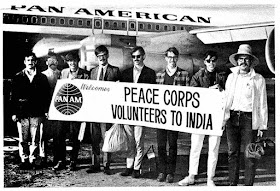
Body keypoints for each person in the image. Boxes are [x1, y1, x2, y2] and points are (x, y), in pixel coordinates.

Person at [178, 50, 227, 186]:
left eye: (214, 60)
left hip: (216, 117)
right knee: (195, 147)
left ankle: (210, 178)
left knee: (213, 149)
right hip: (200, 118)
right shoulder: (197, 76)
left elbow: (228, 95)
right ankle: (191, 175)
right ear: (204, 62)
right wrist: (209, 91)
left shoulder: (223, 76)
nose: (211, 63)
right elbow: (193, 95)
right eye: (208, 61)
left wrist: (222, 91)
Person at [224, 44, 268, 186]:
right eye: (240, 59)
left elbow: (262, 104)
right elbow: (226, 99)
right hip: (232, 118)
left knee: (249, 154)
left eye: (246, 59)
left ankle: (248, 185)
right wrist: (223, 119)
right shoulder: (231, 77)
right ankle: (233, 184)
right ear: (237, 61)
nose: (243, 62)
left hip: (249, 120)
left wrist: (262, 126)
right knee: (232, 153)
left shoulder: (258, 79)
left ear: (251, 61)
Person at [120, 46, 156, 178]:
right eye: (133, 57)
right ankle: (129, 166)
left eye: (138, 56)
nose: (136, 59)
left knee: (139, 141)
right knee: (129, 141)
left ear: (143, 56)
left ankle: (137, 167)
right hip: (128, 112)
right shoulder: (125, 73)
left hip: (141, 113)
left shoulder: (150, 73)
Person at [11, 51, 50, 170]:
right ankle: (24, 159)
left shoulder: (42, 77)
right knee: (23, 138)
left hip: (37, 112)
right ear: (24, 62)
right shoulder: (18, 76)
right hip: (22, 113)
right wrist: (14, 112)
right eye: (28, 60)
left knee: (35, 138)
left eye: (32, 60)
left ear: (36, 62)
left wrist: (46, 110)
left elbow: (46, 95)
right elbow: (13, 96)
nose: (30, 62)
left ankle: (34, 160)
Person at [156, 47, 190, 183]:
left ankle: (171, 172)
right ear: (165, 58)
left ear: (177, 58)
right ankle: (161, 171)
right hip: (161, 116)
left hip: (175, 116)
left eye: (174, 57)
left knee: (172, 145)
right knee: (160, 145)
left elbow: (188, 95)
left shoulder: (184, 74)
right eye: (169, 57)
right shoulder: (159, 75)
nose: (172, 60)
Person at [87, 45, 121, 175]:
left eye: (103, 55)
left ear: (107, 55)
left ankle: (106, 165)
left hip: (107, 110)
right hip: (95, 110)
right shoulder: (93, 71)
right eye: (99, 56)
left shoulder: (115, 71)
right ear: (97, 57)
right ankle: (95, 164)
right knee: (94, 139)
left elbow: (120, 91)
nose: (101, 58)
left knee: (106, 138)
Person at [52, 52, 89, 171]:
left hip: (77, 110)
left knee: (74, 137)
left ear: (78, 61)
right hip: (63, 110)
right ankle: (61, 160)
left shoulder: (85, 74)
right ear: (67, 62)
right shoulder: (63, 73)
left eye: (74, 61)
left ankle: (73, 161)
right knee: (59, 135)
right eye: (69, 61)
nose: (72, 63)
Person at [42, 53, 61, 166]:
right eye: (50, 60)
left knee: (58, 135)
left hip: (59, 108)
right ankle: (43, 158)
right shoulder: (42, 75)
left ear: (58, 62)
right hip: (47, 109)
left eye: (54, 60)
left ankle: (57, 158)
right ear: (46, 62)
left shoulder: (62, 74)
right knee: (44, 134)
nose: (52, 62)